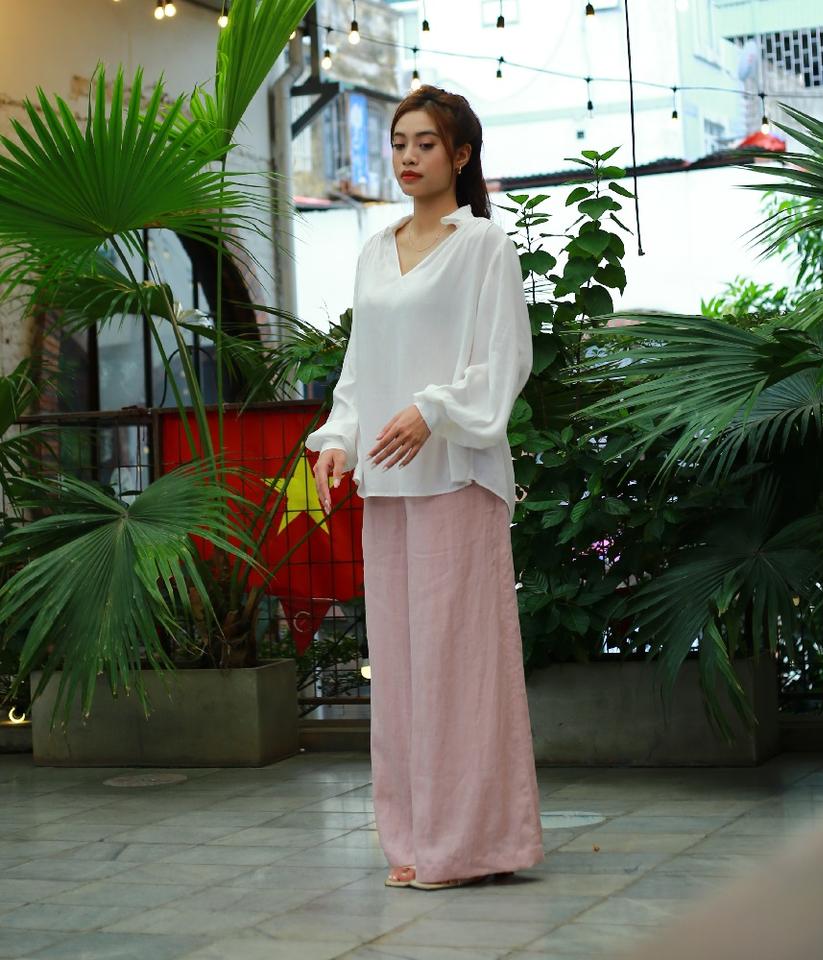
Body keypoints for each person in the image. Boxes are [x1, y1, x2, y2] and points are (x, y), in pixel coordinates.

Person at [306, 85, 544, 891]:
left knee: (458, 666)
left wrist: (433, 410)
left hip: (457, 475)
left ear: (461, 155)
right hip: (388, 484)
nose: (408, 157)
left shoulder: (484, 246)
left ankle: (468, 845)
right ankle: (411, 842)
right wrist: (338, 440)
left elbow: (504, 359)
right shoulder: (375, 250)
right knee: (402, 672)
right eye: (399, 143)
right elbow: (359, 369)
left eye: (426, 144)